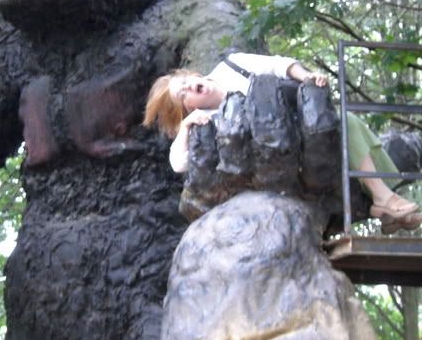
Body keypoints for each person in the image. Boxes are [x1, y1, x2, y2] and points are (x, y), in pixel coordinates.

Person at [144, 51, 420, 231]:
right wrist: (186, 128)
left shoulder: (231, 65)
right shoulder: (210, 120)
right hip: (281, 171)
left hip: (304, 131)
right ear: (188, 108)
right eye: (183, 96)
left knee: (347, 124)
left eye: (184, 83)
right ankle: (383, 206)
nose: (189, 88)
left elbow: (278, 65)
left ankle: (383, 199)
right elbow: (178, 164)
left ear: (192, 75)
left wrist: (307, 76)